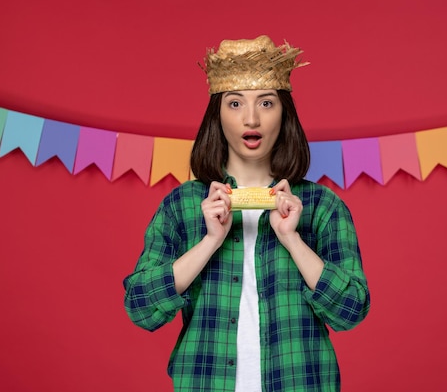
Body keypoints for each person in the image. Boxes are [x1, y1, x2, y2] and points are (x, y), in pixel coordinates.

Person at [123, 35, 370, 392]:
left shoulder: (322, 207)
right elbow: (140, 308)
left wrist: (292, 239)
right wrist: (210, 241)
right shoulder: (182, 206)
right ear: (217, 115)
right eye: (235, 103)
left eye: (266, 103)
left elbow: (351, 311)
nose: (251, 118)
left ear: (283, 113)